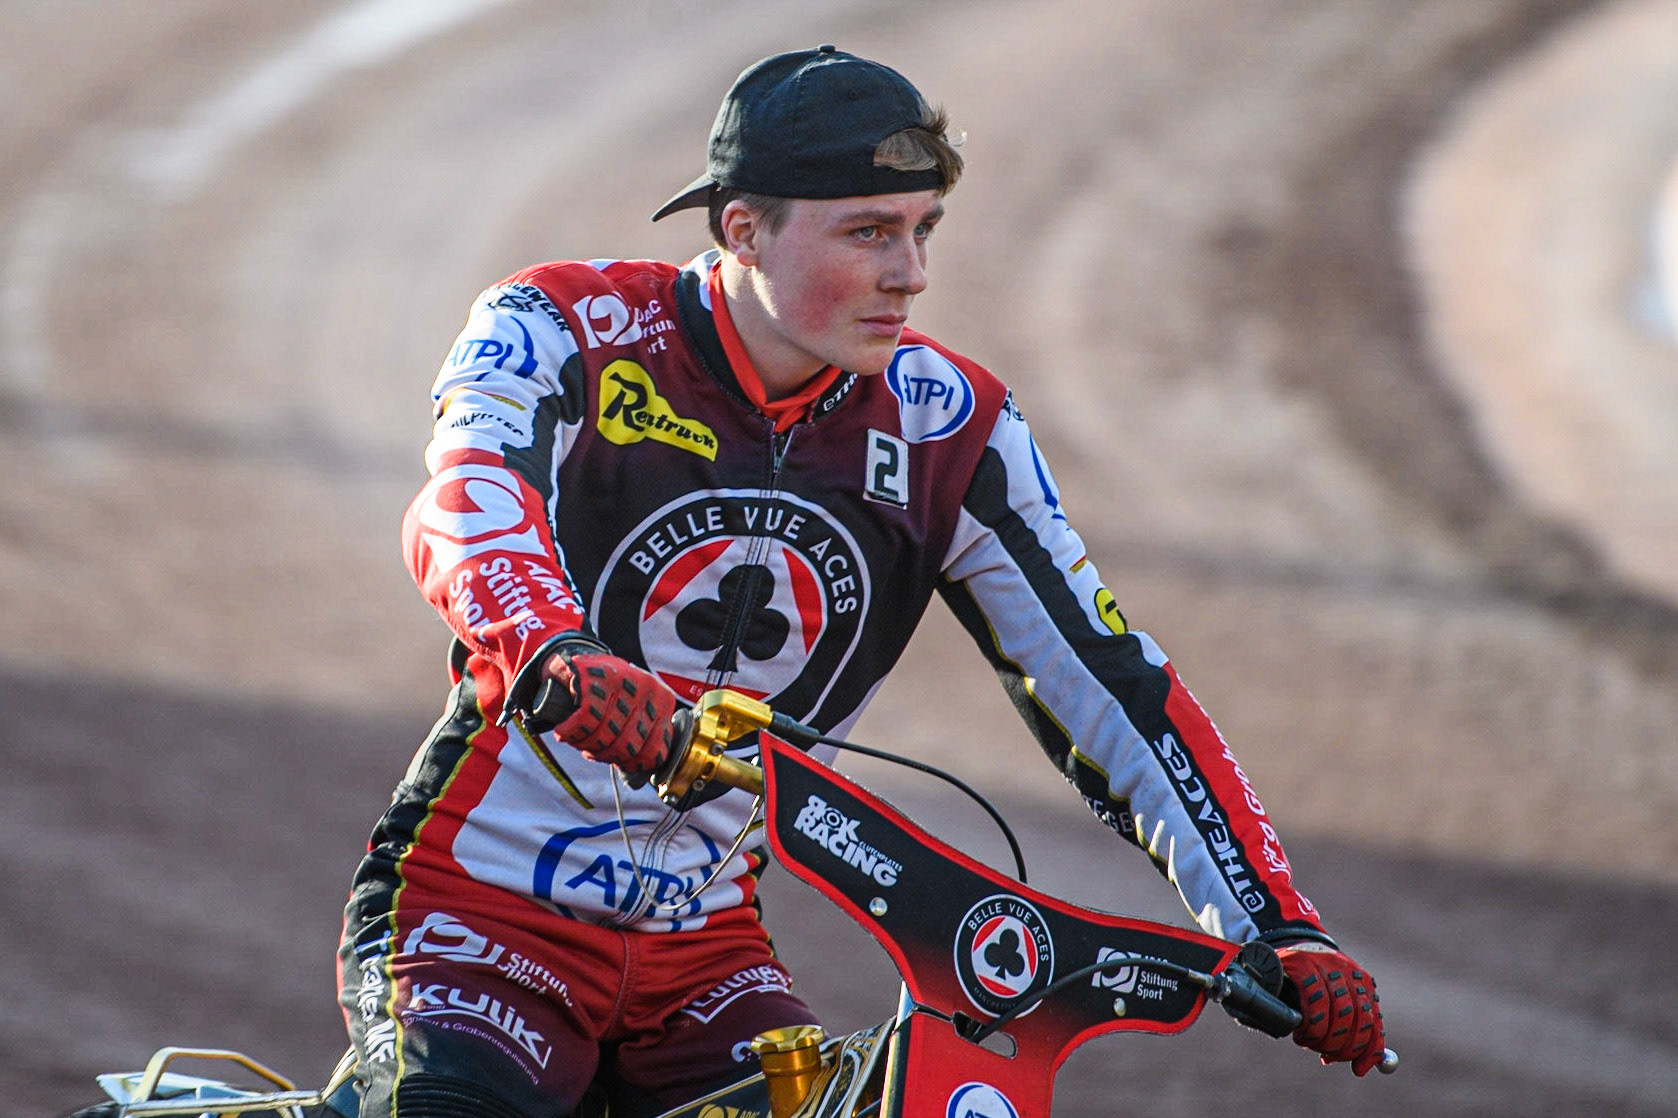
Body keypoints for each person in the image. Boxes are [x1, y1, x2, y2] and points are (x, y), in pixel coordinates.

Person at [336, 44, 1387, 1118]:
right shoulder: (558, 325)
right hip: (476, 916)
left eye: (922, 229)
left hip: (702, 954)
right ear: (741, 228)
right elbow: (465, 506)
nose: (911, 274)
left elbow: (1109, 681)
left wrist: (1271, 918)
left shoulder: (954, 425)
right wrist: (556, 650)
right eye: (868, 232)